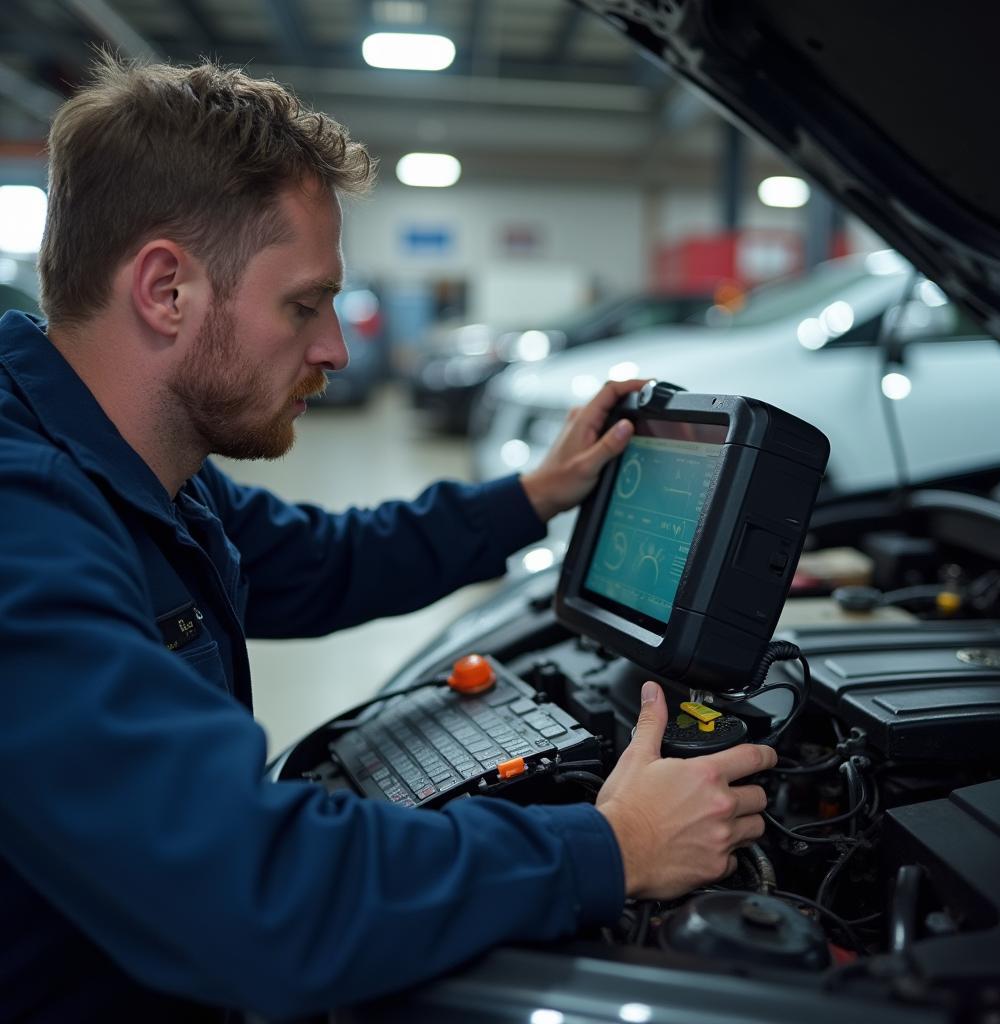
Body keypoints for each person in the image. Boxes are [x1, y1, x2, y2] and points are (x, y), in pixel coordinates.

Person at [0, 55, 776, 1021]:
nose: (337, 346)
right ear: (166, 291)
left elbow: (327, 560)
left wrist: (537, 494)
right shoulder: (26, 527)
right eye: (302, 303)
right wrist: (610, 847)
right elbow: (251, 897)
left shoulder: (142, 473)